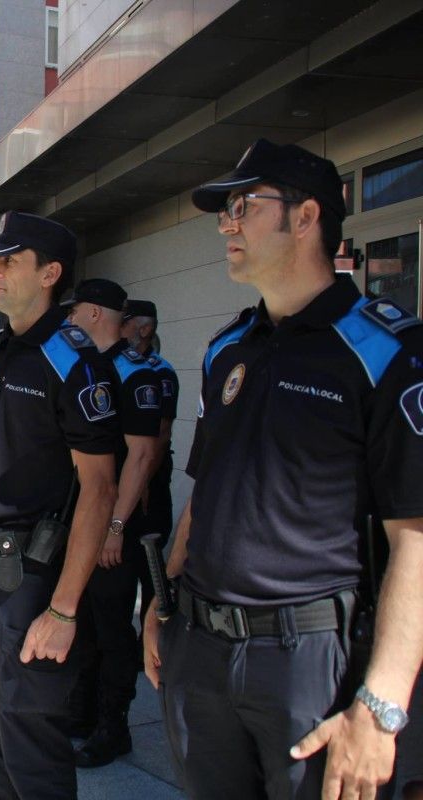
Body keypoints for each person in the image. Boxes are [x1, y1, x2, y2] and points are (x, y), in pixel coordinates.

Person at [144, 138, 423, 800]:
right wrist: (166, 599)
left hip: (311, 664)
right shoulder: (227, 348)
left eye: (244, 205)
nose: (226, 223)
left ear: (307, 218)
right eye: (226, 210)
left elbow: (415, 536)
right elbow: (208, 488)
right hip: (202, 652)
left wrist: (381, 707)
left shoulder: (386, 352)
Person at [0, 212, 121, 799]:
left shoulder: (75, 360)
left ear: (50, 273)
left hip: (27, 579)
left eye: (8, 260)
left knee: (31, 741)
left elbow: (100, 488)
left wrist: (63, 610)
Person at [64, 278, 163, 767]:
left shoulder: (135, 372)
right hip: (81, 519)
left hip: (113, 525)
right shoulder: (87, 367)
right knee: (79, 619)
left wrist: (115, 527)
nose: (69, 319)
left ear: (97, 313)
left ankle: (113, 723)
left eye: (75, 310)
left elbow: (142, 457)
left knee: (110, 625)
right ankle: (81, 712)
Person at [120, 299, 179, 641]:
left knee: (150, 566)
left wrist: (142, 485)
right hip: (127, 474)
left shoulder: (160, 371)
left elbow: (160, 435)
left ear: (144, 329)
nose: (120, 328)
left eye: (126, 323)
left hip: (151, 479)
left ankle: (153, 638)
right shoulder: (117, 364)